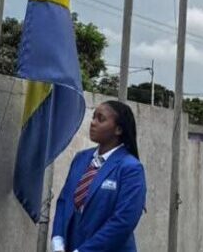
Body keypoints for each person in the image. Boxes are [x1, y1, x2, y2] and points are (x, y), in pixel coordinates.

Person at [51, 100, 147, 252]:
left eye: (100, 119)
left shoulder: (130, 168)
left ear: (118, 129)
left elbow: (123, 222)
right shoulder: (81, 158)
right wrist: (57, 238)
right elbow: (64, 201)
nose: (93, 123)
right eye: (93, 117)